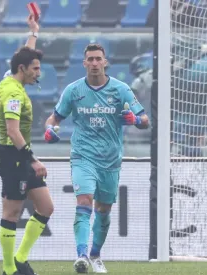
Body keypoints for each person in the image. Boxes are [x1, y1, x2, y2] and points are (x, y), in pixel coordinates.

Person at [44, 44, 150, 273]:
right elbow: (54, 119)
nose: (94, 63)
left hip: (110, 160)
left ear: (105, 62)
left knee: (103, 210)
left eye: (97, 59)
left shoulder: (121, 90)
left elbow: (145, 120)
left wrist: (134, 119)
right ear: (84, 63)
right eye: (89, 59)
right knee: (84, 202)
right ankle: (81, 255)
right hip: (83, 156)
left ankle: (95, 254)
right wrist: (50, 130)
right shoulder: (73, 91)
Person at [0, 15, 54, 275]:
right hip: (13, 157)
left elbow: (23, 56)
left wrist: (34, 32)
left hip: (22, 154)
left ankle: (20, 258)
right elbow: (12, 130)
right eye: (36, 69)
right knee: (12, 212)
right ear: (23, 69)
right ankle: (9, 269)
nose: (38, 73)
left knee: (46, 207)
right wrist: (33, 160)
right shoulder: (12, 93)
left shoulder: (13, 77)